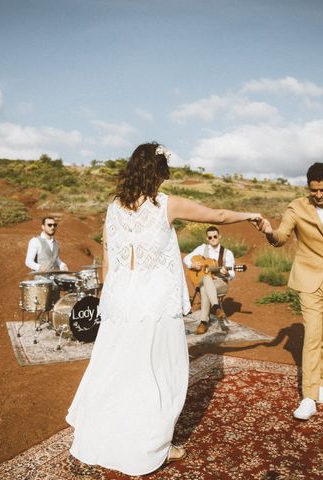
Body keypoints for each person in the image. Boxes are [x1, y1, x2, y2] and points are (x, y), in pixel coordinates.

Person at [66, 142, 261, 475]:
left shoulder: (113, 206)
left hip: (121, 298)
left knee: (117, 368)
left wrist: (107, 297)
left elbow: (109, 258)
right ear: (157, 173)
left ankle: (104, 435)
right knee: (161, 371)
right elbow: (218, 216)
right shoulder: (166, 204)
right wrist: (251, 215)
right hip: (155, 301)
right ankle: (152, 446)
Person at [257, 162, 323, 420]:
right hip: (308, 279)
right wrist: (269, 232)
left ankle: (318, 382)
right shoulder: (297, 207)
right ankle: (308, 398)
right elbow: (282, 237)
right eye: (314, 190)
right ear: (308, 187)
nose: (318, 195)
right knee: (313, 336)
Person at [183, 226, 235, 334]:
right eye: (210, 237)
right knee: (206, 279)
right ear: (207, 238)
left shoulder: (227, 253)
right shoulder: (202, 248)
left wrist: (228, 273)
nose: (213, 239)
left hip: (220, 283)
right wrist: (193, 264)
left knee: (204, 286)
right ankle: (216, 308)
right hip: (207, 282)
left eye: (215, 236)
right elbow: (186, 258)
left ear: (219, 236)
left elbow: (233, 273)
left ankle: (203, 322)